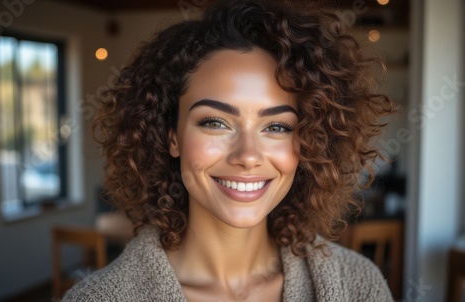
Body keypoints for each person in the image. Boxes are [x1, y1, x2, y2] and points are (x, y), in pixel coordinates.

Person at [62, 0, 395, 301]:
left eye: (276, 127)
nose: (248, 155)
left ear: (309, 142)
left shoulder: (358, 285)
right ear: (171, 137)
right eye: (215, 123)